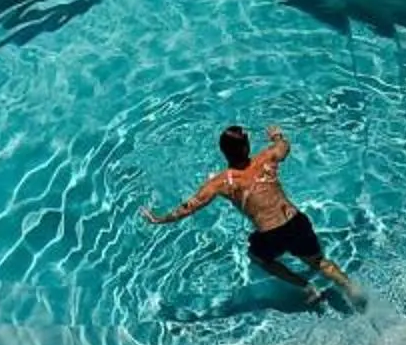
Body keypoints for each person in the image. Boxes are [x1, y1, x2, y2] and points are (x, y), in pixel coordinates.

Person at [144, 125, 361, 304]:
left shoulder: (221, 182)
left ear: (223, 152)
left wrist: (161, 219)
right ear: (247, 147)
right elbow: (284, 147)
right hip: (296, 221)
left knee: (258, 257)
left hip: (271, 234)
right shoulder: (266, 158)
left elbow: (189, 206)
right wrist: (277, 136)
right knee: (320, 262)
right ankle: (353, 289)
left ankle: (307, 287)